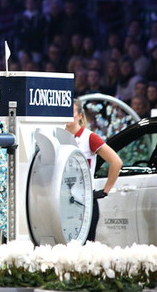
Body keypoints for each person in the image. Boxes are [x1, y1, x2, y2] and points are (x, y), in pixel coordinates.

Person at [66, 99, 122, 241]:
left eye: (70, 112)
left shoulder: (89, 137)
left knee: (85, 246)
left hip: (85, 200)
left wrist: (105, 191)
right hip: (63, 199)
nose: (66, 116)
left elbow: (116, 162)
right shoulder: (59, 136)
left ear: (79, 115)